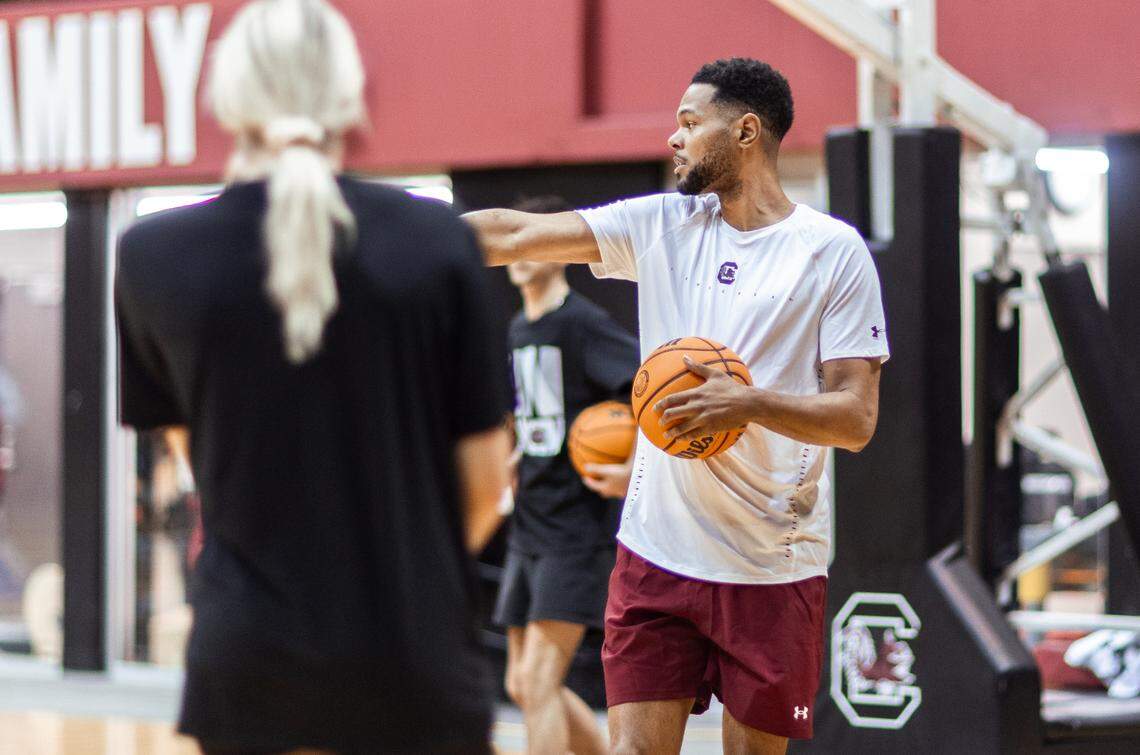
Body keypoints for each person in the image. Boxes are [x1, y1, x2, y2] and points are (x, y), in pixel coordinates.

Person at [114, 1, 510, 752]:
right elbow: (488, 488)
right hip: (414, 656)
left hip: (249, 654)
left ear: (229, 98)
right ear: (348, 95)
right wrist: (395, 569)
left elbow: (203, 464)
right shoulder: (439, 241)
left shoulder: (150, 257)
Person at [465, 58, 888, 754]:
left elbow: (856, 418)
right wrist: (385, 239)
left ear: (746, 131)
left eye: (690, 124)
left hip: (771, 565)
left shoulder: (831, 253)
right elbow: (513, 233)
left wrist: (746, 402)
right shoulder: (661, 225)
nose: (674, 138)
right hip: (655, 554)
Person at [493, 196, 640, 754]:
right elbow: (526, 412)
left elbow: (648, 386)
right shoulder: (517, 329)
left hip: (575, 528)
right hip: (529, 521)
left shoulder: (583, 324)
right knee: (521, 683)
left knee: (537, 682)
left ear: (555, 249)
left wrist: (635, 465)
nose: (519, 253)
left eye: (532, 239)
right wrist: (512, 453)